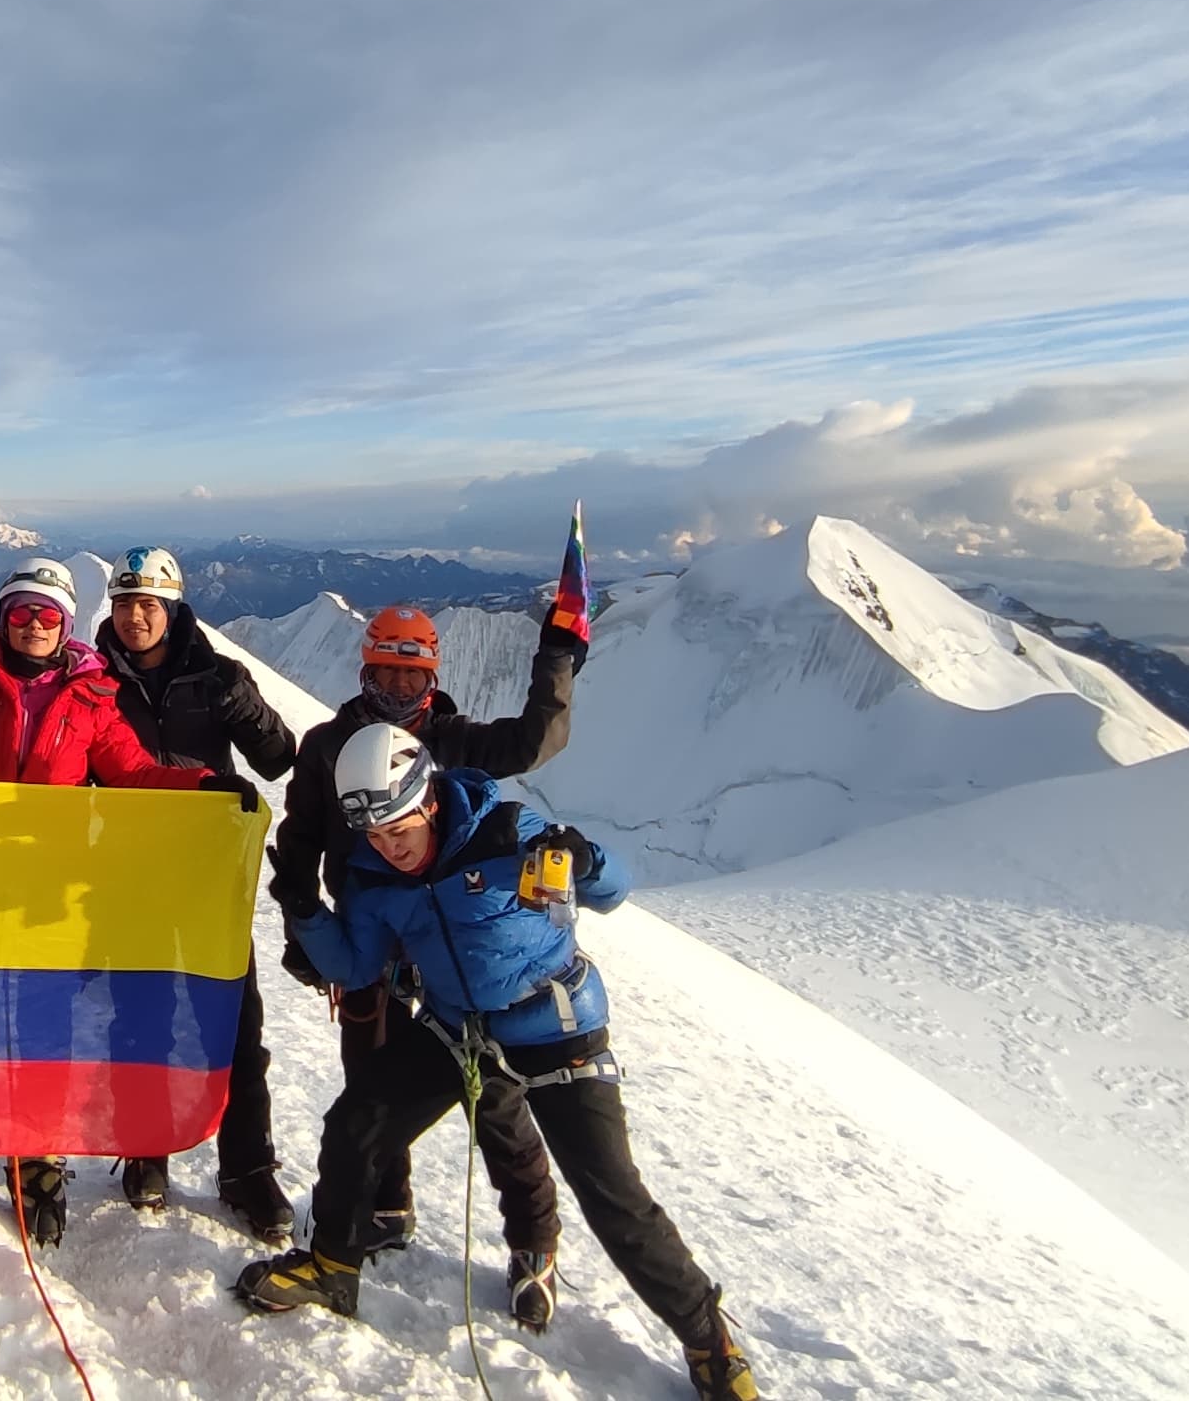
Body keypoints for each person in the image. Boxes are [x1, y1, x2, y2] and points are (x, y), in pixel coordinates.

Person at [239, 724, 762, 1401]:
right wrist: (305, 910)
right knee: (357, 1125)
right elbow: (357, 965)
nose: (389, 847)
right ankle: (334, 1265)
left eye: (398, 827)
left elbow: (611, 891)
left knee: (612, 1196)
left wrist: (586, 858)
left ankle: (707, 1337)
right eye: (373, 834)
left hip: (553, 1026)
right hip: (461, 1029)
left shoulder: (508, 830)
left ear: (427, 799)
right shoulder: (372, 875)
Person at [0, 442, 236, 1244]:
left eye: (48, 616)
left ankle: (35, 1167)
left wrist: (200, 785)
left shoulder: (94, 697)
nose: (32, 626)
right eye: (20, 612)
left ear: (67, 628)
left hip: (45, 888)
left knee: (40, 1035)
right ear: (3, 619)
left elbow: (131, 773)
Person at [270, 601, 583, 1323]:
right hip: (369, 940)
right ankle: (387, 1204)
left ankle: (534, 1240)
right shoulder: (327, 746)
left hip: (454, 950)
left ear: (431, 678)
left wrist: (558, 659)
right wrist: (301, 928)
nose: (397, 691)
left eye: (410, 678)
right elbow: (303, 838)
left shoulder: (452, 738)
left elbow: (536, 741)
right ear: (365, 669)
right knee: (373, 1084)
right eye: (385, 673)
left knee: (492, 1095)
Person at [93, 545, 303, 1240]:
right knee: (139, 1023)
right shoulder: (91, 680)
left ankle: (248, 1169)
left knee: (235, 1026)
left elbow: (279, 756)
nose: (135, 617)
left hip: (209, 878)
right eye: (125, 603)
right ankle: (145, 1149)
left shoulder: (218, 676)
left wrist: (241, 702)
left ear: (174, 607)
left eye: (148, 603)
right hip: (131, 878)